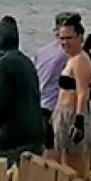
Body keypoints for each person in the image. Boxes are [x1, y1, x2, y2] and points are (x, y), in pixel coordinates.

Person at [0, 15, 45, 162]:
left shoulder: (3, 64)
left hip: (14, 136)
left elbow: (1, 107)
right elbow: (21, 93)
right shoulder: (26, 62)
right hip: (36, 133)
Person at [48, 16, 91, 175]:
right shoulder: (72, 59)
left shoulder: (80, 59)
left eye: (69, 38)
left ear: (80, 37)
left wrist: (79, 122)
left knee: (74, 161)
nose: (64, 43)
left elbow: (82, 92)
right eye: (61, 39)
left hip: (72, 113)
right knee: (60, 156)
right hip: (62, 112)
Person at [34, 12, 78, 149]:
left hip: (40, 105)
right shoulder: (68, 54)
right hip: (56, 110)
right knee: (59, 155)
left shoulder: (43, 51)